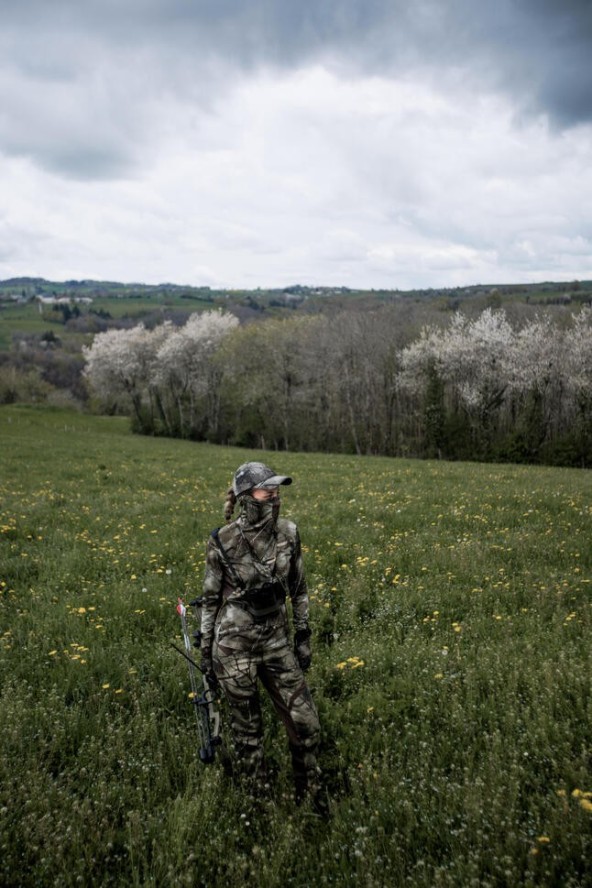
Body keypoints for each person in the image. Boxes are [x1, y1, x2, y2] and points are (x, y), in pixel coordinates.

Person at [199, 461, 322, 806]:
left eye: (276, 488)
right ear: (245, 497)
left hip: (276, 639)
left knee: (306, 724)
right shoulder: (221, 542)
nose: (274, 494)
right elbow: (209, 601)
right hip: (234, 646)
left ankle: (311, 798)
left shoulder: (288, 533)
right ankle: (259, 805)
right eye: (266, 489)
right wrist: (206, 651)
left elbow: (299, 588)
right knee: (248, 734)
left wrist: (303, 635)